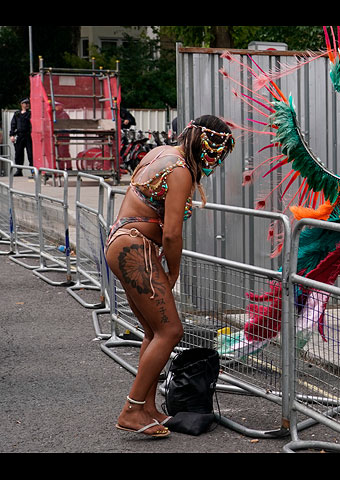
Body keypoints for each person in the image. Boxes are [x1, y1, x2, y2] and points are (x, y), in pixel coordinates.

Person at [104, 115, 235, 437]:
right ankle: (132, 409)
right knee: (171, 331)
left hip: (123, 242)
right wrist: (173, 271)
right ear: (211, 146)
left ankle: (147, 407)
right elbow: (172, 234)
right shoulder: (180, 172)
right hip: (136, 247)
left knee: (153, 331)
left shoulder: (162, 152)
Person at [9, 98, 33, 176]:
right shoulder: (17, 114)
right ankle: (19, 170)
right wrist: (12, 135)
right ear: (21, 104)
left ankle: (33, 170)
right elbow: (13, 125)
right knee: (18, 154)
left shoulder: (30, 114)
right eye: (25, 103)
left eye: (28, 103)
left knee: (30, 153)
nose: (27, 105)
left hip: (28, 136)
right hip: (19, 136)